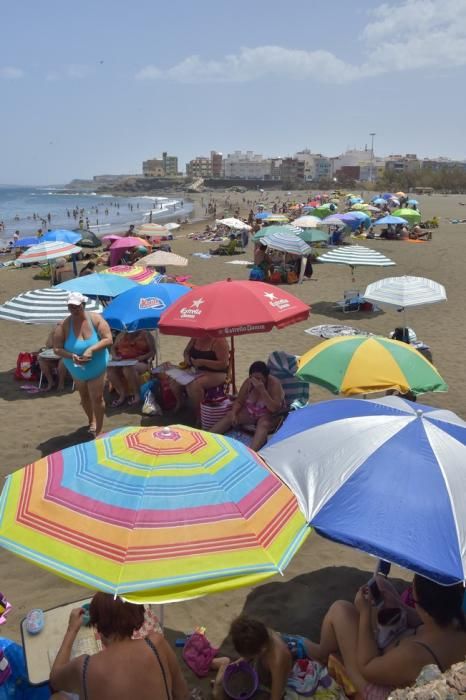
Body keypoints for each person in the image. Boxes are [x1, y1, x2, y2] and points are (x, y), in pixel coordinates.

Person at [305, 574, 466, 694]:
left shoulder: (414, 653)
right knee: (380, 583)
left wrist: (365, 614)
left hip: (379, 686)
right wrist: (399, 605)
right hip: (399, 658)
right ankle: (325, 650)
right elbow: (422, 620)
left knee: (340, 610)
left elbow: (366, 667)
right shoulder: (456, 621)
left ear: (428, 611)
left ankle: (321, 653)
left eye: (414, 598)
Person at [49, 592, 189, 700]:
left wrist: (71, 629)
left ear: (97, 625)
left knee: (56, 697)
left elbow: (54, 680)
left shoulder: (84, 667)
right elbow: (182, 693)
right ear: (138, 620)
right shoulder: (156, 644)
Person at [53, 292, 113, 437]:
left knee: (97, 397)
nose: (74, 309)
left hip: (97, 364)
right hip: (76, 367)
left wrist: (91, 349)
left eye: (77, 306)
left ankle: (99, 429)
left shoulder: (96, 319)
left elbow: (108, 339)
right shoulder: (64, 325)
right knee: (84, 396)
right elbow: (56, 349)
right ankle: (91, 420)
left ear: (83, 305)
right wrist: (71, 356)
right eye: (71, 307)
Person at [226, 616, 310, 700]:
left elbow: (276, 696)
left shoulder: (277, 661)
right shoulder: (258, 630)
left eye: (248, 655)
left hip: (289, 662)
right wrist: (242, 660)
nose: (245, 658)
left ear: (262, 650)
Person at [210, 361, 285, 451]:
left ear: (266, 378)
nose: (256, 381)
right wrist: (234, 413)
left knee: (263, 424)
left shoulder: (274, 384)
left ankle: (251, 452)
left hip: (268, 414)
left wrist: (262, 391)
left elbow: (275, 408)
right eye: (253, 378)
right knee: (230, 415)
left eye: (259, 378)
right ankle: (208, 437)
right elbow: (239, 401)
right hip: (251, 411)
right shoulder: (249, 382)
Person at [168, 335, 230, 416]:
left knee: (194, 385)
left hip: (217, 372)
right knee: (174, 380)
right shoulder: (195, 336)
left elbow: (223, 364)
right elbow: (186, 351)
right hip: (196, 369)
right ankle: (180, 402)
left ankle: (200, 414)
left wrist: (203, 362)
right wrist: (187, 358)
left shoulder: (219, 341)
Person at [108, 330, 156, 407]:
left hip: (140, 362)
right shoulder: (122, 334)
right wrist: (114, 356)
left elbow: (153, 351)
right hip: (122, 361)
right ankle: (122, 395)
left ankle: (136, 395)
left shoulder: (146, 335)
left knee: (128, 368)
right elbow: (113, 348)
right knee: (110, 369)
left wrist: (142, 357)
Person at [38, 322, 70, 392]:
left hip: (65, 357)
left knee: (63, 360)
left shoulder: (69, 334)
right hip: (54, 357)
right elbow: (48, 345)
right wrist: (52, 333)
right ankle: (50, 382)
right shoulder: (55, 333)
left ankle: (61, 383)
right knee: (41, 359)